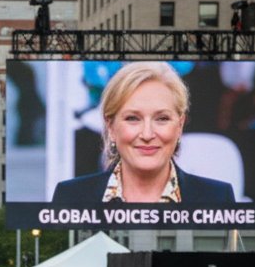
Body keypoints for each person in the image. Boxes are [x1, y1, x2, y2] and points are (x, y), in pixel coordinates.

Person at [51, 62, 236, 207]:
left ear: (179, 126)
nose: (147, 134)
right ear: (110, 127)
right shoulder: (70, 197)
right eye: (133, 118)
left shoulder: (218, 198)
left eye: (162, 118)